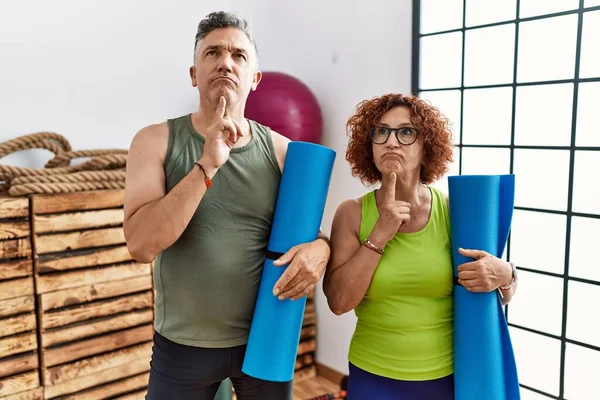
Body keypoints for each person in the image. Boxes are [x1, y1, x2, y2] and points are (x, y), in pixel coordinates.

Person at [123, 11, 331, 400]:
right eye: (213, 53)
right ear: (193, 73)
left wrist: (323, 247)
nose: (225, 62)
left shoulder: (284, 151)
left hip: (266, 337)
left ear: (255, 79)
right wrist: (208, 163)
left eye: (239, 55)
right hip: (183, 344)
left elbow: (308, 234)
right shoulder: (154, 141)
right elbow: (141, 244)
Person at [323, 94, 519, 400]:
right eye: (381, 131)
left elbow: (497, 294)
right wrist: (381, 233)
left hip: (447, 375)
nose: (391, 142)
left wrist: (507, 274)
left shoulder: (455, 211)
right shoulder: (350, 213)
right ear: (369, 144)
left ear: (426, 146)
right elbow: (338, 302)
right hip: (373, 373)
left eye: (406, 132)